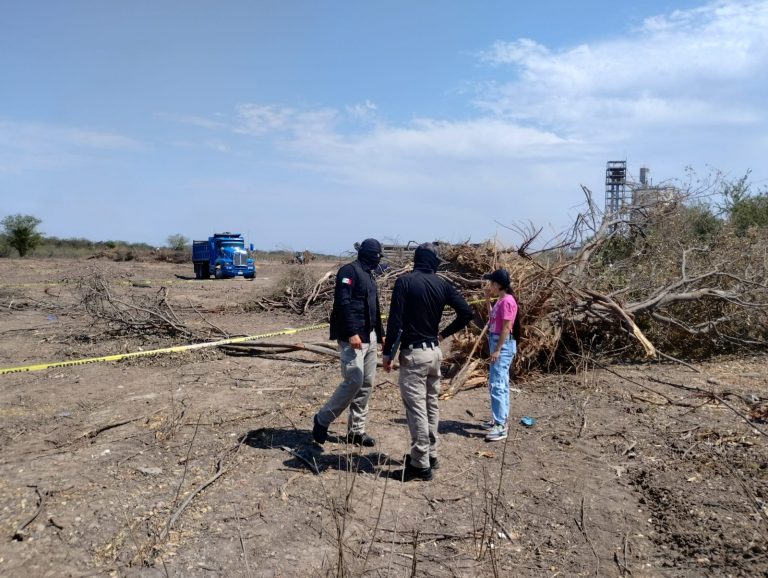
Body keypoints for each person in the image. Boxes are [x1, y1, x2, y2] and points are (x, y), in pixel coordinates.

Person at [383, 243, 473, 481]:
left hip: (414, 355)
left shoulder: (405, 282)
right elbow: (466, 313)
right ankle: (431, 454)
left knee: (416, 409)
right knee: (431, 405)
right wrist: (443, 334)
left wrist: (387, 354)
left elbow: (395, 321)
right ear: (433, 262)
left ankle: (420, 464)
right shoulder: (443, 285)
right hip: (435, 353)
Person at [312, 239, 384, 447]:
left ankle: (356, 431)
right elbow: (342, 303)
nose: (378, 260)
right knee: (354, 380)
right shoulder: (348, 271)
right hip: (352, 338)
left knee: (366, 384)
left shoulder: (370, 276)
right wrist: (352, 333)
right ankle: (323, 419)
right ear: (369, 254)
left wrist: (381, 334)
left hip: (369, 336)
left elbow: (375, 307)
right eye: (377, 256)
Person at [481, 268, 519, 442]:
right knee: (498, 382)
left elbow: (506, 327)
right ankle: (499, 419)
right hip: (496, 341)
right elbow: (492, 318)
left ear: (498, 284)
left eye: (492, 283)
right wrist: (488, 299)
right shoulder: (500, 301)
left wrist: (497, 349)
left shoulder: (508, 302)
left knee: (497, 384)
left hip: (502, 344)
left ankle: (500, 425)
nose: (490, 285)